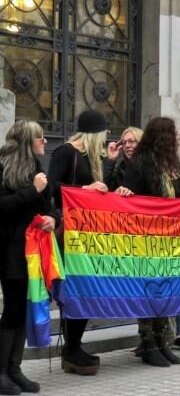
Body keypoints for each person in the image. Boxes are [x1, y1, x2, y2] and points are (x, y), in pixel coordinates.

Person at [122, 117, 180, 366]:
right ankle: (149, 343)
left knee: (165, 291)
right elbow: (130, 198)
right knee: (150, 291)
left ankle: (164, 342)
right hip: (147, 239)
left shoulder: (173, 164)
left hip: (171, 241)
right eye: (175, 133)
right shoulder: (140, 164)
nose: (179, 137)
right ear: (164, 136)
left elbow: (177, 192)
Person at [48, 109, 110, 376]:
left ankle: (75, 346)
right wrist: (83, 191)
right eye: (103, 135)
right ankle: (71, 348)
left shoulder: (91, 156)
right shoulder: (65, 152)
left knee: (85, 288)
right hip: (68, 232)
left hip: (87, 234)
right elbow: (51, 187)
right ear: (94, 134)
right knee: (74, 289)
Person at [0, 121, 54, 394]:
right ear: (26, 141)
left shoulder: (36, 169)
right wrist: (32, 190)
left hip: (32, 251)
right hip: (9, 249)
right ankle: (2, 372)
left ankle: (14, 369)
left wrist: (52, 219)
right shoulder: (3, 166)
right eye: (40, 138)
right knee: (12, 309)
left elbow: (50, 207)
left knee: (22, 308)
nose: (45, 142)